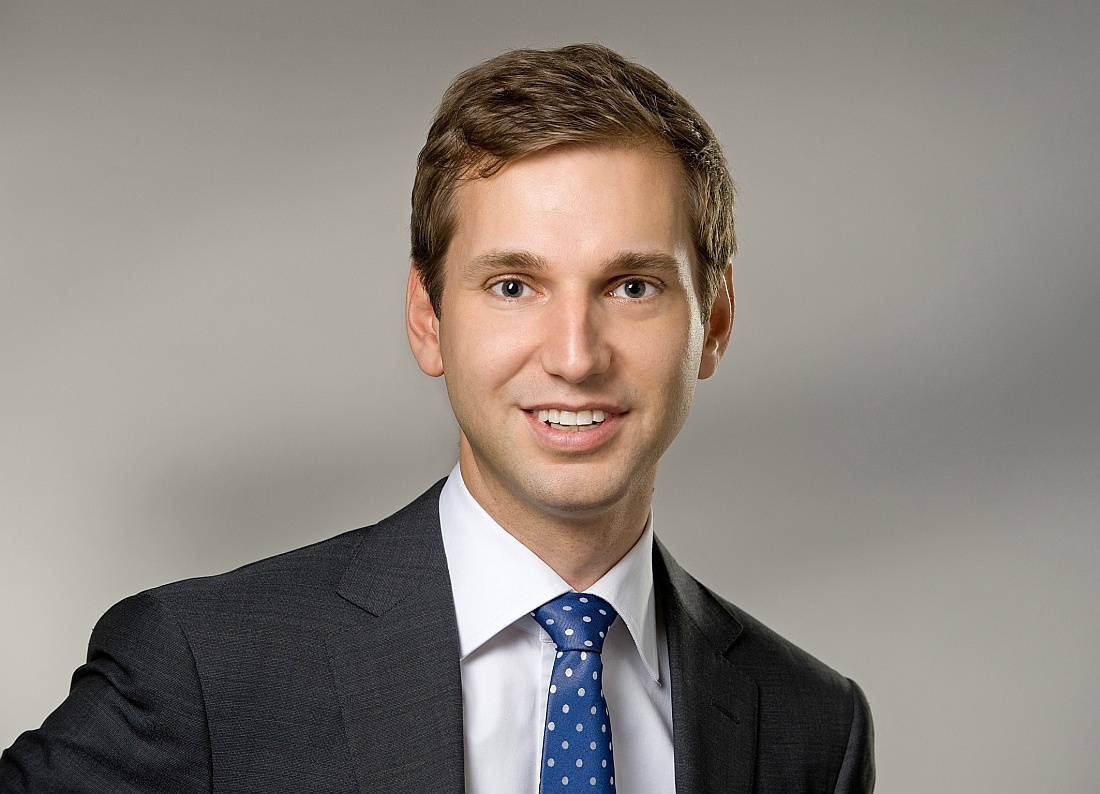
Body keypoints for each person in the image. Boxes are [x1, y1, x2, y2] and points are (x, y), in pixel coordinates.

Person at [0, 43, 874, 793]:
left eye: (632, 286)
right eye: (514, 286)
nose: (575, 356)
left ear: (714, 322)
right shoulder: (204, 670)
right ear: (428, 319)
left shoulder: (811, 726)